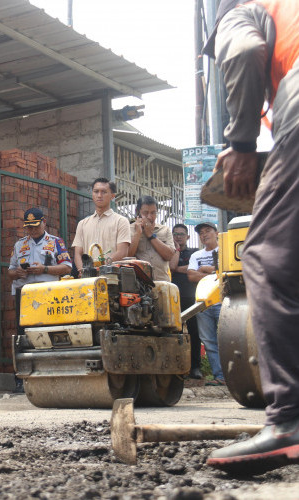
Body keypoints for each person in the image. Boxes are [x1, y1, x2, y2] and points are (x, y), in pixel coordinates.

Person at [203, 0, 299, 474]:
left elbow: (242, 51)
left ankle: (290, 421)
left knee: (269, 259)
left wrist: (241, 142)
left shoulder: (246, 7)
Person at [8, 208, 72, 392]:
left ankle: (51, 376)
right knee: (23, 336)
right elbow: (10, 271)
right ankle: (22, 379)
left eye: (35, 226)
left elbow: (67, 267)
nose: (32, 230)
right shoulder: (20, 245)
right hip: (25, 293)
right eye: (28, 227)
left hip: (47, 292)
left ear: (44, 222)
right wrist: (18, 272)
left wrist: (44, 269)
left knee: (49, 334)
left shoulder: (55, 242)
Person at [186, 222, 223, 387]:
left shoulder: (224, 250)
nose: (204, 234)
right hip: (202, 303)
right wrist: (214, 273)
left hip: (223, 301)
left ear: (217, 233)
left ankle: (235, 376)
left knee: (228, 338)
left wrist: (207, 268)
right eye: (201, 232)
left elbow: (225, 273)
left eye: (208, 231)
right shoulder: (196, 255)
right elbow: (191, 276)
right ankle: (220, 376)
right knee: (208, 340)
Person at [72, 178, 130, 274]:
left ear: (112, 196)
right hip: (88, 279)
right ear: (92, 194)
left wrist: (100, 268)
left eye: (104, 192)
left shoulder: (121, 221)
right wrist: (82, 271)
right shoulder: (82, 224)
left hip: (113, 277)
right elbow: (77, 253)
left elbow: (122, 252)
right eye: (96, 191)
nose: (99, 195)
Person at [169, 224, 202, 379]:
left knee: (194, 333)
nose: (178, 236)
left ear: (188, 236)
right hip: (174, 298)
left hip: (191, 297)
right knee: (176, 333)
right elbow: (171, 267)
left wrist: (179, 269)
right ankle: (179, 368)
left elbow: (195, 269)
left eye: (182, 234)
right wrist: (176, 252)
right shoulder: (170, 252)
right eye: (175, 234)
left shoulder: (195, 252)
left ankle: (196, 367)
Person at [127, 196, 175, 281]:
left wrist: (150, 235)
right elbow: (127, 257)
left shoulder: (165, 230)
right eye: (145, 213)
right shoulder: (129, 229)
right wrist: (137, 234)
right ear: (138, 213)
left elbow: (169, 256)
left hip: (162, 282)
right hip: (139, 285)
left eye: (153, 213)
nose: (149, 217)